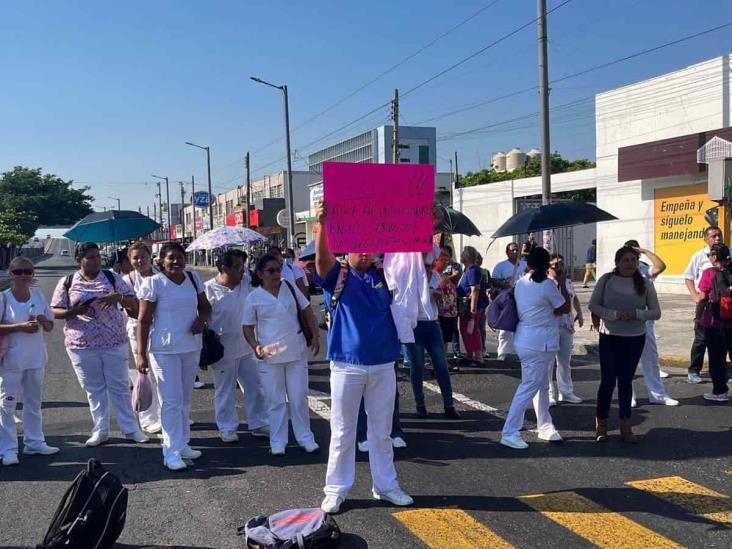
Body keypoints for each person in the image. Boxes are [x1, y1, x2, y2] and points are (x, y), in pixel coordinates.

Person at [314, 201, 413, 514]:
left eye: (371, 248)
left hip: (383, 364)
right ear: (348, 249)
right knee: (343, 431)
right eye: (360, 248)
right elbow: (321, 262)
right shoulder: (340, 276)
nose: (366, 253)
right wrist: (323, 224)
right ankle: (336, 490)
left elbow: (414, 260)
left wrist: (429, 223)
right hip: (347, 365)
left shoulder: (386, 276)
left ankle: (386, 485)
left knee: (381, 431)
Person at [51, 242, 148, 448]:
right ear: (79, 260)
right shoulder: (67, 282)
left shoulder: (113, 278)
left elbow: (134, 303)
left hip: (113, 341)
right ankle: (100, 430)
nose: (96, 260)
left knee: (120, 386)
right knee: (94, 388)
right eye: (90, 257)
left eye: (97, 256)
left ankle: (131, 429)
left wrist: (118, 297)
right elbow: (55, 310)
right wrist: (73, 312)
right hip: (81, 343)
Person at [136, 242, 212, 471]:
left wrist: (201, 321)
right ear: (161, 261)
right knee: (170, 401)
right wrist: (140, 354)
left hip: (190, 347)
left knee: (185, 399)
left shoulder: (193, 279)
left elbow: (205, 307)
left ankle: (183, 443)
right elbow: (143, 320)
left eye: (180, 258)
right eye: (171, 258)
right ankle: (170, 452)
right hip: (164, 350)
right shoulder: (154, 283)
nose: (176, 262)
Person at [242, 254, 319, 456]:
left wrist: (316, 336)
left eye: (278, 269)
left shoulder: (290, 287)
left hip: (296, 350)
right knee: (275, 400)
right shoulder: (254, 297)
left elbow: (307, 310)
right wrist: (255, 346)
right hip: (270, 355)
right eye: (271, 271)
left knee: (298, 396)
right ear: (260, 274)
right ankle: (278, 440)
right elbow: (247, 327)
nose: (276, 274)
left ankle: (305, 437)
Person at [500, 247, 571, 449]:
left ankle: (545, 425)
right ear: (547, 265)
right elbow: (564, 307)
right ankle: (509, 431)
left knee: (540, 384)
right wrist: (562, 282)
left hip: (528, 339)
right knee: (531, 385)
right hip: (540, 341)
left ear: (528, 263)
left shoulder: (521, 282)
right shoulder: (547, 285)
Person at [589, 246, 661, 443]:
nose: (630, 263)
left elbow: (655, 312)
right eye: (626, 260)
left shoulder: (645, 283)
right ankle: (601, 422)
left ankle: (625, 424)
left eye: (633, 260)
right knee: (608, 380)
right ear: (617, 262)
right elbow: (593, 305)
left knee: (626, 380)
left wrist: (638, 314)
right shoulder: (606, 280)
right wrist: (613, 315)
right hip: (610, 336)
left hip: (635, 337)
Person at [205, 249, 269, 442]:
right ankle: (226, 427)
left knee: (254, 386)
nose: (242, 270)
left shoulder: (246, 283)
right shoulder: (208, 289)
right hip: (223, 350)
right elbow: (203, 318)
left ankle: (258, 422)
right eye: (238, 267)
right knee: (224, 391)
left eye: (243, 266)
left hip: (247, 347)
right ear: (224, 268)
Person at [0, 257, 59, 466]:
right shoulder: (3, 298)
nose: (23, 275)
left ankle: (34, 442)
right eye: (18, 272)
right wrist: (19, 327)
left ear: (32, 274)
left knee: (34, 403)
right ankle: (7, 449)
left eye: (27, 271)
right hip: (11, 360)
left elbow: (50, 326)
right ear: (11, 273)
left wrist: (44, 321)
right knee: (7, 406)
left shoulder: (39, 296)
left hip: (35, 357)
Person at [403, 249, 460, 420]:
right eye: (425, 264)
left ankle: (448, 404)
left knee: (441, 365)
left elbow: (442, 301)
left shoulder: (436, 277)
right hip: (415, 323)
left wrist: (439, 294)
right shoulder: (410, 275)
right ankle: (420, 404)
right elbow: (405, 297)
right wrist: (430, 292)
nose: (428, 268)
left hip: (432, 322)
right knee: (417, 366)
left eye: (430, 264)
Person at [623, 240, 677, 406]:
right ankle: (628, 396)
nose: (631, 260)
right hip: (624, 322)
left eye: (635, 256)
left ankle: (658, 395)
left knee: (651, 360)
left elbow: (661, 266)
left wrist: (645, 251)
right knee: (626, 362)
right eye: (628, 256)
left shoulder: (645, 270)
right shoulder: (616, 273)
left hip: (645, 321)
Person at [122, 242, 162, 434]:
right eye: (135, 258)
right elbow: (129, 311)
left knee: (164, 373)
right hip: (138, 330)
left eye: (143, 257)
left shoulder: (162, 276)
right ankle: (148, 418)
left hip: (162, 328)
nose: (139, 261)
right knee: (146, 372)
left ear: (150, 257)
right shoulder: (126, 281)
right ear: (129, 260)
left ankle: (167, 414)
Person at [684, 226, 723, 384]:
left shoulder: (728, 253)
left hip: (725, 307)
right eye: (714, 236)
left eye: (719, 235)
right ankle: (694, 371)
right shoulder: (698, 256)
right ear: (706, 239)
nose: (718, 238)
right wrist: (695, 296)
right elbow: (688, 277)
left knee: (722, 340)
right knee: (701, 339)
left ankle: (721, 371)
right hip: (705, 305)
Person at [695, 243, 731, 402]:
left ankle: (719, 392)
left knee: (717, 358)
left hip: (714, 323)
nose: (709, 257)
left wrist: (697, 319)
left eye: (710, 255)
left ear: (715, 257)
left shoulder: (709, 273)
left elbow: (702, 298)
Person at [547, 253, 583, 405]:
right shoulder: (546, 283)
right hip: (551, 325)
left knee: (564, 361)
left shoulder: (567, 282)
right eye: (555, 265)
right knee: (548, 362)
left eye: (561, 264)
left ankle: (566, 391)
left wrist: (580, 313)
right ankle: (549, 393)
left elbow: (574, 298)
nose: (559, 268)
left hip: (566, 325)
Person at [491, 243, 527, 361]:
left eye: (517, 250)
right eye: (513, 250)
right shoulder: (501, 266)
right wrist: (506, 285)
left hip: (522, 299)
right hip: (507, 299)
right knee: (505, 326)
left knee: (520, 326)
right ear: (507, 252)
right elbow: (494, 280)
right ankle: (502, 353)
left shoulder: (524, 265)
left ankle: (518, 352)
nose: (515, 252)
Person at [457, 246, 487, 365]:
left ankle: (478, 356)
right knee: (465, 329)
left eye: (463, 253)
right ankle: (470, 354)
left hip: (471, 305)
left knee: (472, 330)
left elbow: (475, 289)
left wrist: (473, 308)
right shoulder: (467, 270)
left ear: (467, 256)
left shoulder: (473, 270)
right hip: (465, 305)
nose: (461, 256)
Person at [439, 246, 462, 359]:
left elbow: (457, 277)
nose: (443, 257)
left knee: (450, 332)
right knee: (439, 336)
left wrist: (446, 278)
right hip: (438, 307)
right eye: (441, 254)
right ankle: (439, 360)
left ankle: (454, 353)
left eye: (446, 255)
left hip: (450, 305)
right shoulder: (434, 266)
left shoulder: (455, 266)